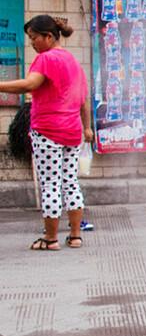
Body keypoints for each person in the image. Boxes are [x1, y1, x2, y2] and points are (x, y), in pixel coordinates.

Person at [0, 15, 92, 250]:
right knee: (70, 183)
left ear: (48, 37)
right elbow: (84, 99)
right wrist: (88, 127)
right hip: (73, 132)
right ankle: (75, 236)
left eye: (34, 38)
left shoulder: (46, 58)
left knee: (50, 184)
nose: (32, 43)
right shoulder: (72, 60)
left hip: (49, 131)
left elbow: (29, 85)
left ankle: (50, 239)